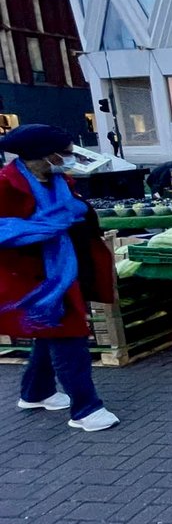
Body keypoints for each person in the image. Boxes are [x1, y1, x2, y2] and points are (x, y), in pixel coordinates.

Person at [0, 124, 119, 431]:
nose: (70, 157)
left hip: (64, 268)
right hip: (33, 278)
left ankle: (36, 392)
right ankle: (86, 410)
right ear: (42, 156)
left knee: (48, 332)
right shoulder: (5, 186)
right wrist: (44, 228)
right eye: (64, 152)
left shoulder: (59, 179)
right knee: (70, 338)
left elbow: (75, 213)